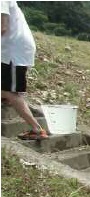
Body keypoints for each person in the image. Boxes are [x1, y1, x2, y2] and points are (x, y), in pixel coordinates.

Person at [1, 0, 48, 140]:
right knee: (5, 87)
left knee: (10, 91)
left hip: (14, 50)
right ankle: (6, 99)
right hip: (12, 48)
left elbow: (2, 27)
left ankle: (36, 129)